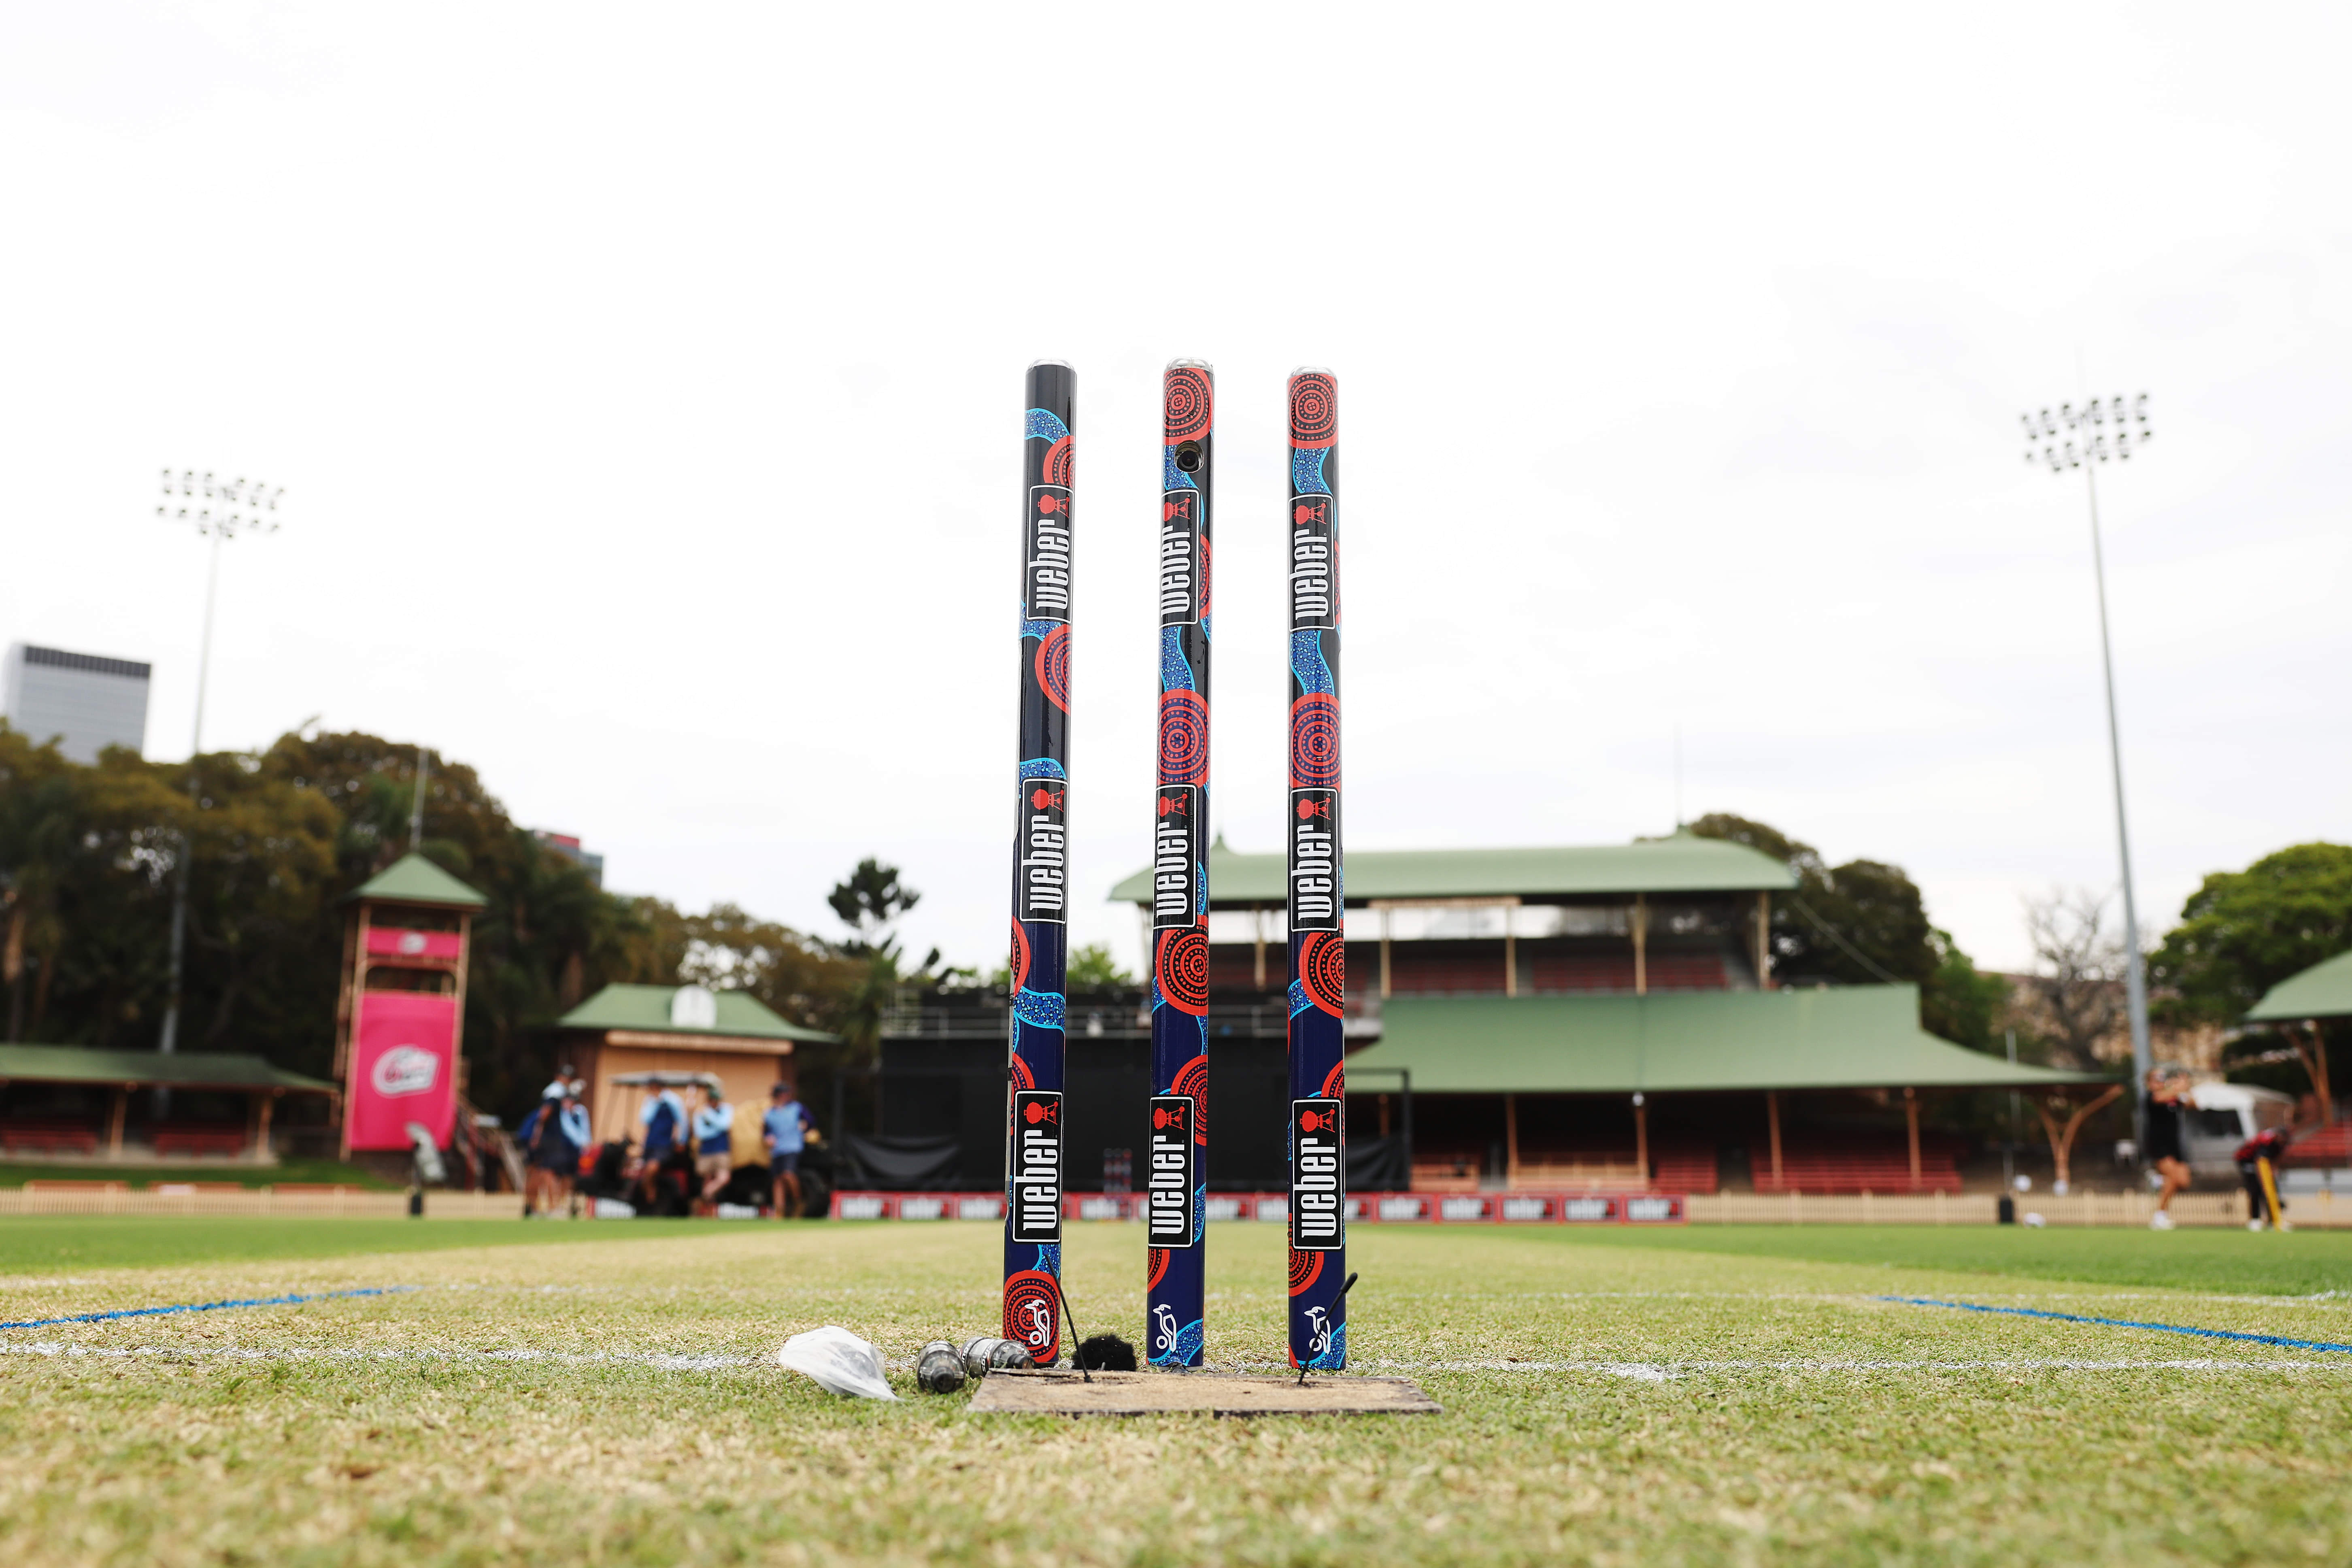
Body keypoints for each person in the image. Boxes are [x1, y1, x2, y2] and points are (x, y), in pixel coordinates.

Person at [2145, 1066, 2192, 1230]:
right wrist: (2177, 1086)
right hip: (2159, 1144)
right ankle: (2160, 1216)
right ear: (2149, 1082)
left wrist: (2185, 1088)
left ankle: (2157, 1179)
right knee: (2172, 1178)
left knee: (2184, 1182)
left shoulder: (2174, 1098)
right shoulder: (2151, 1096)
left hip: (2175, 1145)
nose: (2160, 1080)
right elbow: (2160, 1098)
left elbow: (2193, 1104)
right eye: (2157, 1078)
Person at [522, 1085, 576, 1218]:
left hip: (540, 1144)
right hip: (546, 1145)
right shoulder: (552, 1104)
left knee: (538, 1174)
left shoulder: (537, 1115)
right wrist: (537, 1137)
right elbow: (543, 1117)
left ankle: (534, 1209)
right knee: (546, 1174)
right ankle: (551, 1208)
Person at [764, 1082, 815, 1219]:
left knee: (788, 1175)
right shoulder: (770, 1113)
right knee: (778, 1180)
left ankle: (798, 1201)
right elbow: (766, 1131)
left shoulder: (797, 1108)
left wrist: (806, 1126)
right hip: (777, 1150)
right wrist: (768, 1138)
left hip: (793, 1146)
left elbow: (810, 1121)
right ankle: (779, 1210)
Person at [636, 1081, 688, 1211]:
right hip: (650, 1144)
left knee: (652, 1168)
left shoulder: (672, 1101)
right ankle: (646, 1192)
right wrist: (654, 1103)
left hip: (664, 1145)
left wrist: (682, 1140)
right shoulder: (650, 1102)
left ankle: (650, 1194)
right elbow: (644, 1120)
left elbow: (682, 1122)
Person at [2235, 1123, 2292, 1231]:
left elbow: (2277, 1159)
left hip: (2263, 1165)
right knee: (2256, 1191)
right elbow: (2260, 1162)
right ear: (2278, 1136)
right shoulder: (2266, 1142)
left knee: (2271, 1192)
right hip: (2247, 1162)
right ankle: (2255, 1220)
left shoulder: (2283, 1143)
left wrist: (2274, 1172)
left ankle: (2274, 1221)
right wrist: (2264, 1182)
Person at [691, 1082, 735, 1206]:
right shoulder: (701, 1112)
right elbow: (701, 1134)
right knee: (707, 1178)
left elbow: (726, 1125)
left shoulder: (725, 1109)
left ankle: (705, 1194)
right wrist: (718, 1128)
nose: (714, 1102)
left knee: (724, 1178)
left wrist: (710, 1117)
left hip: (722, 1149)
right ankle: (707, 1208)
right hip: (706, 1150)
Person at [559, 1081, 594, 1219]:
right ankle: (563, 1204)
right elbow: (569, 1132)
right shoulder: (563, 1115)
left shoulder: (580, 1112)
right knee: (564, 1177)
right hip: (565, 1149)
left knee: (577, 1178)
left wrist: (587, 1144)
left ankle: (574, 1204)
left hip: (579, 1151)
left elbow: (585, 1129)